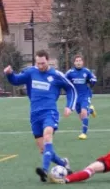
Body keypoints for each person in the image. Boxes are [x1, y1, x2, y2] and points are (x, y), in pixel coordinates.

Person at [4, 49, 78, 182]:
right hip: (34, 114)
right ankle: (63, 164)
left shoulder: (56, 75)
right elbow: (16, 80)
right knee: (44, 149)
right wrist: (9, 74)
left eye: (42, 63)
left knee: (48, 134)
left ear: (48, 60)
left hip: (50, 112)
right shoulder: (30, 72)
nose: (40, 66)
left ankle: (44, 170)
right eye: (38, 63)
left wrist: (70, 106)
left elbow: (71, 88)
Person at [65, 54, 97, 140]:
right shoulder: (70, 73)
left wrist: (93, 81)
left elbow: (93, 79)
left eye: (80, 61)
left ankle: (84, 133)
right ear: (74, 63)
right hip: (75, 97)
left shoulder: (86, 71)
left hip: (85, 95)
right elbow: (64, 81)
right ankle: (91, 110)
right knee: (82, 117)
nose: (78, 62)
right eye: (77, 61)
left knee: (83, 112)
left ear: (83, 62)